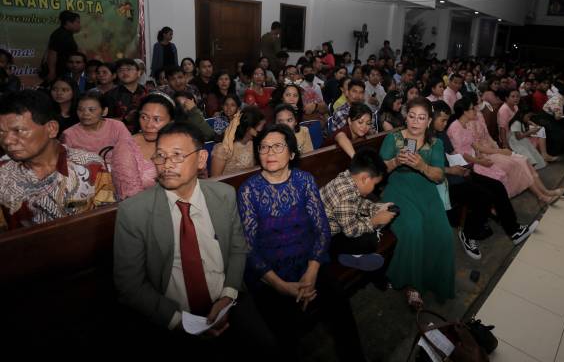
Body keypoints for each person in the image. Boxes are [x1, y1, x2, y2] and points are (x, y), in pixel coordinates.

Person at [113, 122, 279, 354]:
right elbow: (129, 284)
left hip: (227, 299)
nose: (167, 164)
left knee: (268, 348)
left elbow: (237, 248)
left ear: (201, 159)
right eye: (160, 156)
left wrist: (228, 295)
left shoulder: (224, 195)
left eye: (177, 155)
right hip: (171, 313)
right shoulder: (134, 212)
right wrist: (177, 321)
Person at [237, 124, 366, 361]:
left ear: (292, 153)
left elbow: (322, 229)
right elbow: (249, 247)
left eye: (277, 146)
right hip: (270, 272)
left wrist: (312, 271)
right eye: (264, 147)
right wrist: (280, 285)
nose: (270, 152)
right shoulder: (248, 191)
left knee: (339, 302)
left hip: (309, 260)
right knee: (284, 329)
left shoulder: (304, 180)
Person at [431, 101, 538, 257]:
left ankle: (514, 230)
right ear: (431, 118)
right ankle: (468, 234)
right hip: (445, 181)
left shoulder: (441, 133)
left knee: (497, 186)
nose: (445, 124)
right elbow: (426, 168)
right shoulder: (426, 138)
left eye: (447, 120)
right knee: (484, 197)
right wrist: (451, 170)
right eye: (443, 120)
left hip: (459, 172)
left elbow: (452, 153)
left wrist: (463, 164)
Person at [379, 97, 454, 308]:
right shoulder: (393, 138)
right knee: (413, 228)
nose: (415, 122)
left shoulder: (435, 143)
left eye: (421, 118)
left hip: (425, 189)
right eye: (412, 116)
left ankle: (434, 279)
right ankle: (412, 285)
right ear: (406, 117)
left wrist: (422, 166)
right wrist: (396, 161)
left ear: (429, 121)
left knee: (443, 232)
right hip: (398, 187)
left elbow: (438, 176)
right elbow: (379, 171)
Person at [0, 90, 112, 229]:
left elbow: (106, 223)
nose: (7, 140)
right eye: (1, 132)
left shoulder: (92, 167)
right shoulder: (3, 170)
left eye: (19, 131)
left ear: (51, 128)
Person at [448, 96, 562, 204]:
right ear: (465, 112)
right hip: (470, 163)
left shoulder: (465, 124)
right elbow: (462, 154)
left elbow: (476, 146)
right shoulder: (456, 127)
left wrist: (496, 151)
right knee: (519, 163)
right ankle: (542, 196)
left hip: (479, 156)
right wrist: (483, 159)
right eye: (473, 108)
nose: (476, 110)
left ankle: (545, 192)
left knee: (523, 160)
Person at [61, 92, 147, 199]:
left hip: (122, 179)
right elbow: (66, 169)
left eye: (91, 110)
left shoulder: (117, 127)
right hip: (88, 186)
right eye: (80, 110)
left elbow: (132, 153)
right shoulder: (69, 135)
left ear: (104, 111)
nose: (85, 114)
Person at [320, 148, 395, 269]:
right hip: (324, 240)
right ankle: (341, 256)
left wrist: (377, 208)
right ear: (365, 179)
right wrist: (374, 221)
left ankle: (349, 255)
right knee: (369, 242)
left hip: (336, 225)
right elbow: (351, 230)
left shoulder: (347, 177)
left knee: (368, 226)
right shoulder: (346, 195)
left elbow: (358, 203)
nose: (374, 188)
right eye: (375, 184)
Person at [498, 90, 556, 166]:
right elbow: (502, 129)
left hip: (519, 131)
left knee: (541, 129)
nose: (516, 98)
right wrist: (505, 145)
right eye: (513, 96)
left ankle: (544, 154)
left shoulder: (515, 106)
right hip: (510, 136)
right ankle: (539, 157)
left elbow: (521, 118)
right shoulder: (504, 109)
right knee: (534, 134)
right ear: (506, 98)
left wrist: (532, 123)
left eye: (518, 96)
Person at [132, 93, 175, 190]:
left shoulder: (182, 147)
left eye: (157, 119)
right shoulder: (127, 145)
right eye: (144, 117)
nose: (148, 125)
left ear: (171, 121)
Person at [210, 106, 265, 176]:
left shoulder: (255, 143)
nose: (262, 130)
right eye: (261, 126)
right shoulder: (223, 149)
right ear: (250, 128)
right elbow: (215, 179)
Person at [104, 58, 148, 133]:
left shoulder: (148, 93)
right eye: (121, 70)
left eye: (129, 69)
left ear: (139, 73)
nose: (124, 72)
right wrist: (126, 119)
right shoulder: (109, 95)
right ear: (117, 75)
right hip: (119, 135)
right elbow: (105, 122)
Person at [42, 10, 80, 84]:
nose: (79, 25)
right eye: (77, 22)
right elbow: (52, 54)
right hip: (60, 73)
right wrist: (52, 72)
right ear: (68, 23)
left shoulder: (67, 34)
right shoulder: (60, 35)